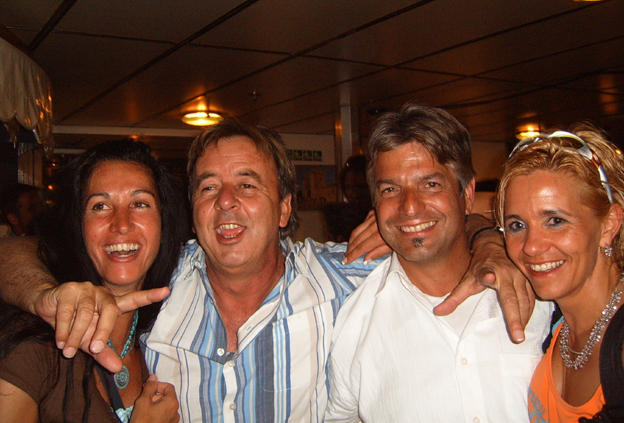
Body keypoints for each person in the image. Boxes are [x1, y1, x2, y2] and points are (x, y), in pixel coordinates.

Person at [0, 117, 532, 422]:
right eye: (209, 186)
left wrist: (487, 239)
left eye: (248, 184)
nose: (226, 202)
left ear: (284, 208)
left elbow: (428, 228)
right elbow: (16, 254)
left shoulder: (347, 277)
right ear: (192, 209)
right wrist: (46, 295)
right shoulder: (157, 278)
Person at [325, 104, 553, 422]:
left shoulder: (540, 287)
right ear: (375, 203)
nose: (409, 206)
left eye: (430, 184)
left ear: (468, 194)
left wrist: (489, 236)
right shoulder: (355, 323)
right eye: (390, 189)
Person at [0, 140, 184, 423]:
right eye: (100, 206)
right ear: (78, 227)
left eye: (140, 203)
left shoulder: (160, 336)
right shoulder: (36, 346)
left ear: (163, 223)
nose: (122, 224)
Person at [494, 124, 624, 422]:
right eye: (517, 225)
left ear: (609, 224)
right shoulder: (554, 324)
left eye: (555, 220)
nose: (531, 246)